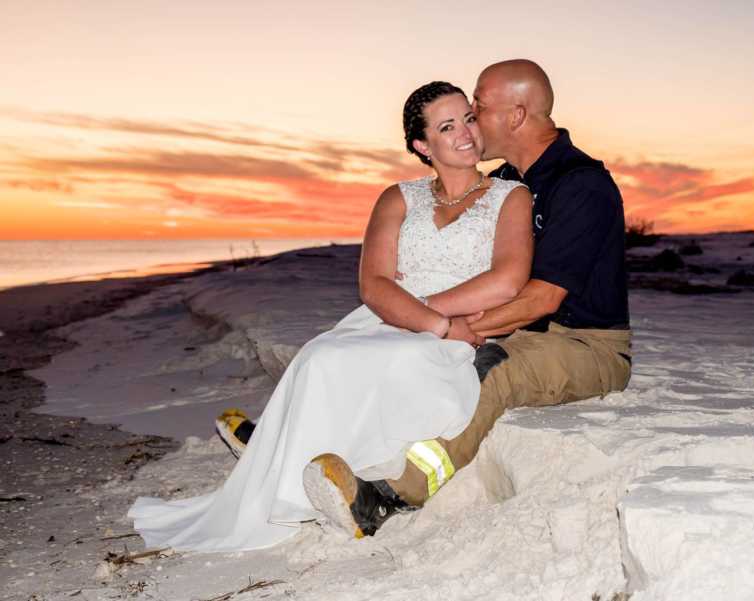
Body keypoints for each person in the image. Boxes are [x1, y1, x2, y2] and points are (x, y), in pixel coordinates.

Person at [127, 81, 534, 551]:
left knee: (391, 364)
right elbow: (374, 285)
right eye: (447, 126)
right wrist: (429, 318)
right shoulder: (398, 198)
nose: (465, 132)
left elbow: (507, 281)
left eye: (467, 117)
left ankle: (326, 476)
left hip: (460, 331)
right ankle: (287, 478)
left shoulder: (511, 196)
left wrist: (427, 315)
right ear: (424, 146)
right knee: (320, 355)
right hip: (400, 320)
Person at [300, 59, 631, 538]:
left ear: (515, 116)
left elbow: (541, 298)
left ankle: (390, 496)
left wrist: (454, 327)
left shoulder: (581, 184)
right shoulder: (510, 180)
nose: (471, 116)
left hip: (584, 344)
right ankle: (303, 444)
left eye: (478, 105)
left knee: (491, 370)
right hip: (523, 329)